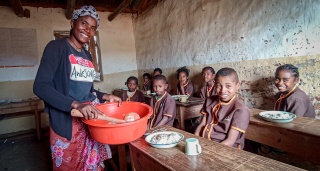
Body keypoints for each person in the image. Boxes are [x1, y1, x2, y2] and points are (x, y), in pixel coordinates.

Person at [33, 5, 125, 170]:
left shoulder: (87, 55)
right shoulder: (57, 48)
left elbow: (88, 90)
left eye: (92, 28)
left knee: (92, 165)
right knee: (70, 165)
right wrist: (76, 104)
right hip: (67, 121)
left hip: (89, 119)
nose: (88, 30)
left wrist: (106, 96)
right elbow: (40, 86)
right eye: (84, 23)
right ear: (72, 23)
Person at [195, 68, 250, 149]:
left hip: (226, 149)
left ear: (237, 86)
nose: (223, 90)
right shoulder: (210, 101)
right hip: (204, 143)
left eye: (228, 86)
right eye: (218, 86)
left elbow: (230, 141)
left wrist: (208, 150)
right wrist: (195, 140)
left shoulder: (240, 110)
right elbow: (202, 124)